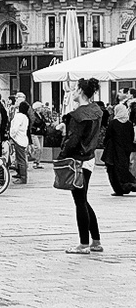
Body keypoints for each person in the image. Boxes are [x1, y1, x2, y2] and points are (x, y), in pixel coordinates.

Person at [60, 77, 104, 254]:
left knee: (79, 201)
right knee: (83, 199)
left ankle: (84, 244)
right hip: (90, 158)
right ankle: (96, 240)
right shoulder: (96, 111)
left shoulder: (78, 115)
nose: (73, 92)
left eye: (75, 89)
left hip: (77, 160)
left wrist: (62, 154)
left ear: (80, 92)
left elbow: (72, 141)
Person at [102, 103, 135, 196]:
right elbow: (131, 137)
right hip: (125, 151)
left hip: (114, 150)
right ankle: (127, 185)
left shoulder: (113, 123)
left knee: (113, 170)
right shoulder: (129, 124)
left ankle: (120, 188)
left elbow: (108, 135)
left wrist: (105, 144)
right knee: (123, 168)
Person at [9, 100, 30, 184]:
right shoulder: (25, 117)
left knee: (21, 159)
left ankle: (23, 177)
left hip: (18, 139)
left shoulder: (18, 116)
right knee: (21, 158)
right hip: (23, 138)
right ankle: (21, 174)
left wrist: (12, 135)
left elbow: (15, 128)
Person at [29, 102, 46, 168]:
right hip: (35, 133)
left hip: (41, 133)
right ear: (37, 108)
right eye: (41, 107)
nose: (42, 108)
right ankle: (35, 161)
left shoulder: (41, 115)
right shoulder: (33, 115)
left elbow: (43, 122)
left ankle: (38, 162)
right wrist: (36, 128)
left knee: (41, 149)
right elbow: (31, 124)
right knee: (37, 147)